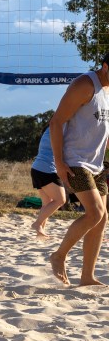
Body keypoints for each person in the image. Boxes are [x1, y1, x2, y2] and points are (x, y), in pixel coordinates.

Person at [46, 53, 109, 286]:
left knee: (101, 219)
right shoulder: (85, 84)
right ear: (105, 66)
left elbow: (101, 131)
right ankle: (59, 255)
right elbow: (56, 122)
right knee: (94, 213)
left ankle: (87, 277)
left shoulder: (107, 91)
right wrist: (59, 162)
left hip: (96, 163)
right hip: (75, 161)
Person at [29, 129, 67, 238]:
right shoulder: (60, 128)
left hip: (37, 168)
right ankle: (37, 224)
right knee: (60, 200)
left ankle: (40, 232)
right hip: (46, 170)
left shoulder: (50, 129)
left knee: (47, 203)